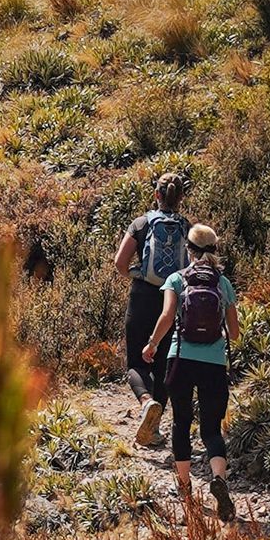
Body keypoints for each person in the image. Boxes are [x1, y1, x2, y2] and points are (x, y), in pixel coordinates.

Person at [142, 222, 240, 526]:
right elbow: (235, 334)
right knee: (211, 429)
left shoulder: (176, 279)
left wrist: (152, 344)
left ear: (190, 250)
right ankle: (219, 478)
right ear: (214, 250)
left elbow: (167, 316)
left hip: (180, 358)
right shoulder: (222, 283)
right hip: (213, 364)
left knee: (181, 423)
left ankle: (185, 491)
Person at [112, 172, 189, 440]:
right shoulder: (186, 226)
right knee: (163, 362)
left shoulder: (142, 223)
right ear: (180, 198)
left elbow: (120, 263)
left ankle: (146, 403)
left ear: (156, 195)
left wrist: (139, 274)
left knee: (135, 361)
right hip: (172, 299)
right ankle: (153, 429)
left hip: (142, 295)